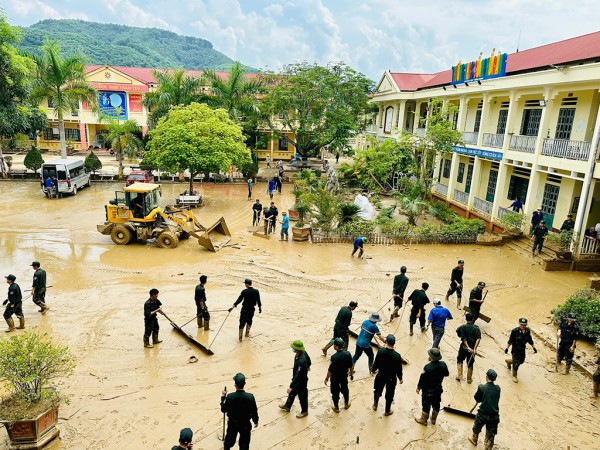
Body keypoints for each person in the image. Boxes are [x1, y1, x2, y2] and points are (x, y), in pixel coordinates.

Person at [221, 373, 259, 450]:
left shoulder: (230, 396)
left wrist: (223, 397)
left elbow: (223, 409)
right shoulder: (250, 397)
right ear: (244, 383)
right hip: (245, 424)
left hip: (232, 423)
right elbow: (254, 411)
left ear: (235, 384)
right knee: (244, 444)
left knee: (228, 442)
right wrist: (256, 421)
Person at [415, 348, 450, 426]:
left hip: (428, 390)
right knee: (436, 404)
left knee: (426, 405)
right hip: (438, 389)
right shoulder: (443, 364)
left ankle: (424, 420)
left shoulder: (427, 367)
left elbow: (422, 379)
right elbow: (447, 374)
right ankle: (433, 419)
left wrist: (418, 387)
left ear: (431, 357)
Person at [371, 334, 403, 416]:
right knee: (389, 394)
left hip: (381, 375)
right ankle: (387, 410)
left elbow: (376, 362)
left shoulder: (381, 351)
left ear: (386, 342)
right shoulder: (397, 356)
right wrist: (400, 378)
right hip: (391, 378)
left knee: (377, 390)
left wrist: (373, 370)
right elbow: (399, 369)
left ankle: (375, 405)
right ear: (394, 344)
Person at [469, 369, 501, 450]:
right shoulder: (498, 388)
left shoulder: (481, 387)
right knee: (491, 434)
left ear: (486, 377)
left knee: (476, 428)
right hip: (494, 416)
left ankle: (474, 440)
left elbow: (477, 398)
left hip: (483, 414)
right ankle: (488, 447)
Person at [279, 340, 311, 418]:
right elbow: (309, 359)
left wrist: (291, 386)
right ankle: (287, 406)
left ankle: (304, 411)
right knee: (292, 393)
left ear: (297, 349)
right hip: (298, 378)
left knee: (302, 396)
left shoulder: (301, 361)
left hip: (301, 381)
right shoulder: (303, 352)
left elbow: (298, 376)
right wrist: (308, 366)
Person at [324, 338, 353, 412]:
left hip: (335, 378)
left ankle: (336, 407)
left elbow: (330, 370)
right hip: (344, 376)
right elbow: (351, 366)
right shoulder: (348, 354)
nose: (333, 346)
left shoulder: (334, 357)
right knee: (345, 390)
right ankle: (346, 404)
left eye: (334, 345)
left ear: (336, 347)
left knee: (335, 392)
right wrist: (351, 374)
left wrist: (326, 378)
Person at [505, 317, 537, 383]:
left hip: (522, 349)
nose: (522, 326)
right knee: (516, 364)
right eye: (521, 324)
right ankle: (514, 375)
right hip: (515, 349)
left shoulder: (527, 331)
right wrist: (507, 348)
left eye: (524, 325)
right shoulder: (514, 331)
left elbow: (530, 340)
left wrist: (534, 347)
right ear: (519, 324)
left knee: (522, 361)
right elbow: (510, 340)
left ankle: (509, 361)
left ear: (526, 325)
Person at [456, 313, 481, 384]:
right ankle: (469, 379)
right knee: (470, 363)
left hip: (463, 347)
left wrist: (467, 347)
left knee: (460, 359)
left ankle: (459, 375)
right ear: (473, 319)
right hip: (472, 349)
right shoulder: (476, 328)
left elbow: (462, 337)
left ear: (466, 319)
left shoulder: (462, 327)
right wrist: (474, 349)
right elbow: (478, 338)